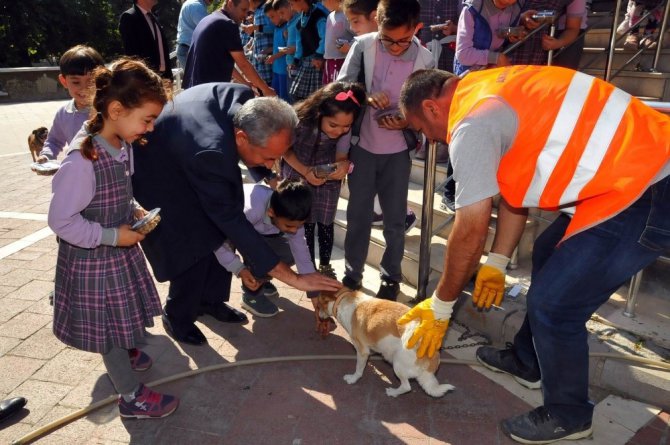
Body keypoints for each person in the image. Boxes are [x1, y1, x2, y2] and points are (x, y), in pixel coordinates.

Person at [397, 66, 670, 444]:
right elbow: (515, 191)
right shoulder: (487, 86)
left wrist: (442, 306)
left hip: (648, 188)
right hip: (630, 174)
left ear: (430, 107)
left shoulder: (471, 123)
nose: (432, 141)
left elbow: (471, 227)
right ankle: (528, 361)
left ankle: (569, 415)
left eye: (426, 132)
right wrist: (497, 261)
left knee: (555, 307)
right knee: (545, 250)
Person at [132, 83, 341, 346]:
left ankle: (210, 302)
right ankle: (178, 316)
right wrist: (294, 279)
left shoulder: (245, 101)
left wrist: (269, 176)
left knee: (218, 236)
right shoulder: (212, 152)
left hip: (188, 153)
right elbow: (231, 219)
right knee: (192, 248)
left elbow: (226, 217)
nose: (270, 166)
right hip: (160, 178)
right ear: (241, 138)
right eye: (267, 159)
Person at [48, 58, 179, 419]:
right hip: (94, 260)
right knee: (107, 329)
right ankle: (130, 396)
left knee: (121, 313)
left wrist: (133, 209)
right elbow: (61, 221)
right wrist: (109, 235)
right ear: (117, 109)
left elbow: (115, 193)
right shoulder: (81, 161)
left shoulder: (118, 143)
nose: (150, 128)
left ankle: (127, 348)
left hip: (114, 251)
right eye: (147, 119)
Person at [336, 0, 433, 300]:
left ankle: (391, 277)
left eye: (403, 40)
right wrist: (363, 95)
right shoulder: (364, 46)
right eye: (387, 39)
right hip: (362, 147)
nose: (394, 46)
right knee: (358, 216)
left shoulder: (426, 58)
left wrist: (407, 119)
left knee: (394, 220)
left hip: (397, 152)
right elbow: (340, 88)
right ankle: (353, 274)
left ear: (417, 28)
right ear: (377, 24)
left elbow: (427, 107)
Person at [281, 81, 366, 280]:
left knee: (326, 221)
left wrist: (342, 166)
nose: (339, 131)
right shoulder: (298, 120)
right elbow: (284, 150)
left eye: (346, 126)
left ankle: (325, 265)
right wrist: (306, 171)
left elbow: (341, 156)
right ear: (319, 114)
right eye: (333, 125)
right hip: (297, 172)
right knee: (305, 222)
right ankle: (308, 265)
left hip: (327, 178)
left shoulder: (344, 129)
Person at [217, 180, 317, 317]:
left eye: (299, 226)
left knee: (288, 253)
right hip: (225, 228)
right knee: (258, 255)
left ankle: (262, 280)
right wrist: (239, 269)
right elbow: (220, 243)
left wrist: (315, 297)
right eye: (289, 226)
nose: (294, 231)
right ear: (271, 212)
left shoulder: (292, 214)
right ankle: (251, 295)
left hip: (258, 232)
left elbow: (302, 253)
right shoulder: (250, 210)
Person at [182, 0, 276, 96]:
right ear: (230, 4)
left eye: (247, 12)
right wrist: (265, 89)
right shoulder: (227, 24)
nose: (245, 16)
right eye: (243, 10)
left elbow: (223, 62)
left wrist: (245, 83)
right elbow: (243, 64)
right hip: (208, 91)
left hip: (193, 90)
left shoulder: (208, 20)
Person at [36, 45, 104, 164]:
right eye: (76, 82)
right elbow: (54, 141)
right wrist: (46, 156)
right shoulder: (63, 113)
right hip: (79, 176)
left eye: (91, 81)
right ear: (64, 81)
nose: (84, 88)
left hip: (108, 176)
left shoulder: (109, 110)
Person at [453, 0, 521, 75]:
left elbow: (496, 32)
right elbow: (463, 54)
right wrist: (496, 58)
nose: (506, 2)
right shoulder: (472, 9)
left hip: (492, 74)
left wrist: (512, 34)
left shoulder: (516, 7)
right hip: (470, 74)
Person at [511, 0, 585, 66]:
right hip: (511, 42)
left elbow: (573, 28)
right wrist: (520, 19)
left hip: (540, 44)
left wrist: (558, 43)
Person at [119, 0, 174, 81]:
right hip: (146, 81)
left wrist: (169, 78)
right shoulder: (129, 17)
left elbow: (162, 49)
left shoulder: (153, 17)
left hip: (163, 78)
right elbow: (132, 55)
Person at [287, 0, 329, 102]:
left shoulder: (318, 16)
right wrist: (296, 60)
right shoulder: (300, 20)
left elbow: (325, 38)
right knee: (298, 95)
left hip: (317, 62)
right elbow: (299, 42)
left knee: (315, 97)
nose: (292, 8)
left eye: (292, 4)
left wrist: (319, 56)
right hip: (305, 61)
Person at [243, 0, 276, 86]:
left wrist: (255, 27)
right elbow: (258, 34)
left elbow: (274, 28)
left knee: (270, 86)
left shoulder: (266, 8)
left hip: (268, 55)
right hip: (259, 57)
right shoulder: (257, 11)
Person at [265, 0, 291, 102]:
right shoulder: (277, 28)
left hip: (284, 70)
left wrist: (274, 56)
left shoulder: (287, 28)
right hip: (276, 70)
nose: (271, 20)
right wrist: (268, 51)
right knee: (274, 98)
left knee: (284, 100)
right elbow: (278, 47)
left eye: (272, 16)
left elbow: (288, 48)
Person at [321, 0, 354, 84]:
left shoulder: (347, 15)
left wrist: (350, 46)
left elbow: (359, 36)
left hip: (341, 60)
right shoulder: (330, 16)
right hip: (329, 60)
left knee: (337, 89)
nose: (322, 3)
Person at [175, 0, 213, 69]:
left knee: (194, 78)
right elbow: (208, 30)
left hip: (185, 48)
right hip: (189, 50)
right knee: (199, 79)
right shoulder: (197, 6)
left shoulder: (190, 3)